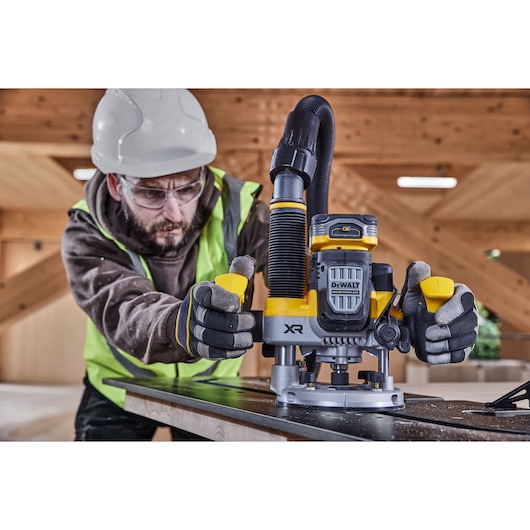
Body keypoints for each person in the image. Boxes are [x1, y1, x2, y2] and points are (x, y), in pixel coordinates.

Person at [61, 88, 478, 441]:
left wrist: (415, 314)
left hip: (212, 388)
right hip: (117, 391)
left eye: (188, 184)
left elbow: (302, 267)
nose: (174, 209)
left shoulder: (239, 210)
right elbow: (125, 310)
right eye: (152, 193)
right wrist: (181, 326)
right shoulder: (86, 230)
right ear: (115, 182)